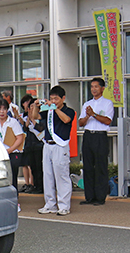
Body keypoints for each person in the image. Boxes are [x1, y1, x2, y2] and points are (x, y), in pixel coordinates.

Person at [31, 85, 74, 216]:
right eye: (51, 99)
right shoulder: (48, 110)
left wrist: (54, 109)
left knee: (61, 176)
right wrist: (36, 105)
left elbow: (67, 119)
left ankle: (64, 205)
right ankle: (50, 204)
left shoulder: (68, 110)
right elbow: (35, 117)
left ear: (63, 98)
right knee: (48, 176)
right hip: (47, 145)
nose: (53, 101)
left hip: (60, 145)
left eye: (56, 99)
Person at [78, 77, 114, 206]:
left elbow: (108, 120)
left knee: (100, 167)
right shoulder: (87, 104)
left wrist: (93, 114)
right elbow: (81, 123)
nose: (93, 89)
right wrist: (87, 115)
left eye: (96, 86)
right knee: (88, 167)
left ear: (102, 88)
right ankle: (89, 197)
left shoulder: (107, 103)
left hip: (100, 136)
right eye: (92, 87)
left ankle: (100, 197)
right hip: (88, 136)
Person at [0, 97, 25, 209]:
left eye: (4, 109)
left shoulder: (13, 122)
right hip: (0, 154)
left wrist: (9, 150)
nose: (1, 112)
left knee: (11, 178)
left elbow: (20, 138)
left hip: (12, 153)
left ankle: (15, 202)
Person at [19, 95, 44, 195]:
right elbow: (25, 128)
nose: (32, 109)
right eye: (31, 107)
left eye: (34, 106)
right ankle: (35, 186)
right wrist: (29, 118)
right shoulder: (27, 117)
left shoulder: (42, 116)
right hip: (30, 145)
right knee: (33, 166)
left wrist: (33, 120)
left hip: (39, 145)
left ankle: (41, 187)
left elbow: (40, 129)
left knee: (39, 167)